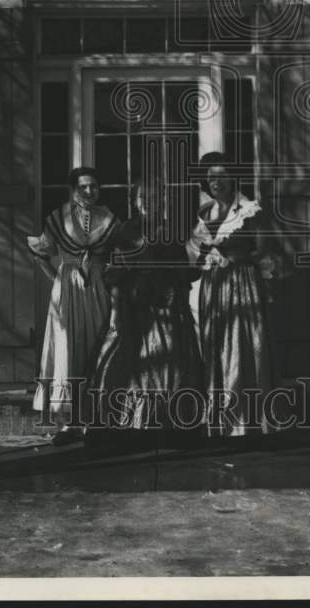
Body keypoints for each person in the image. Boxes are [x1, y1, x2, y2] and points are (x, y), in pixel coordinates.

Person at [89, 179, 203, 447]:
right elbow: (115, 275)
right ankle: (129, 424)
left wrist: (181, 305)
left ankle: (170, 425)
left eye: (155, 197)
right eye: (144, 198)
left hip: (167, 306)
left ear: (164, 201)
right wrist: (116, 312)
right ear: (136, 201)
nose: (149, 202)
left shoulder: (173, 231)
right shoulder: (126, 231)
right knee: (126, 362)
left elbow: (183, 273)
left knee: (173, 363)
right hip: (134, 306)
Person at [28, 166, 119, 444]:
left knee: (96, 348)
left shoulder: (109, 218)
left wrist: (105, 275)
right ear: (73, 189)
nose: (89, 191)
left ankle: (96, 418)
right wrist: (60, 277)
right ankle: (68, 423)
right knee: (68, 349)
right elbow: (41, 254)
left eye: (94, 186)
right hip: (67, 292)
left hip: (98, 290)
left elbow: (120, 254)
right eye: (83, 187)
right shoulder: (59, 217)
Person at [187, 152, 275, 436]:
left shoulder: (249, 210)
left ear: (232, 178)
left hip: (241, 284)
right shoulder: (204, 213)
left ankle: (247, 421)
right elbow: (195, 251)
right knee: (216, 345)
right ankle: (220, 421)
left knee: (242, 346)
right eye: (211, 177)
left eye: (222, 176)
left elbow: (262, 250)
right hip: (213, 286)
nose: (216, 182)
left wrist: (236, 260)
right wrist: (206, 256)